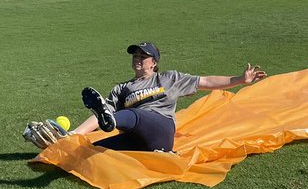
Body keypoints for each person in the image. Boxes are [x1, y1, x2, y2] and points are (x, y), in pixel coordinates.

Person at [71, 41, 267, 152]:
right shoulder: (122, 88)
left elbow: (206, 82)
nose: (137, 59)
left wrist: (240, 79)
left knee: (134, 114)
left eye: (142, 56)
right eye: (135, 56)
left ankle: (113, 121)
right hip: (135, 139)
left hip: (160, 131)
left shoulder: (169, 78)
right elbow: (99, 114)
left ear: (154, 63)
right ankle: (105, 126)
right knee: (91, 151)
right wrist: (73, 135)